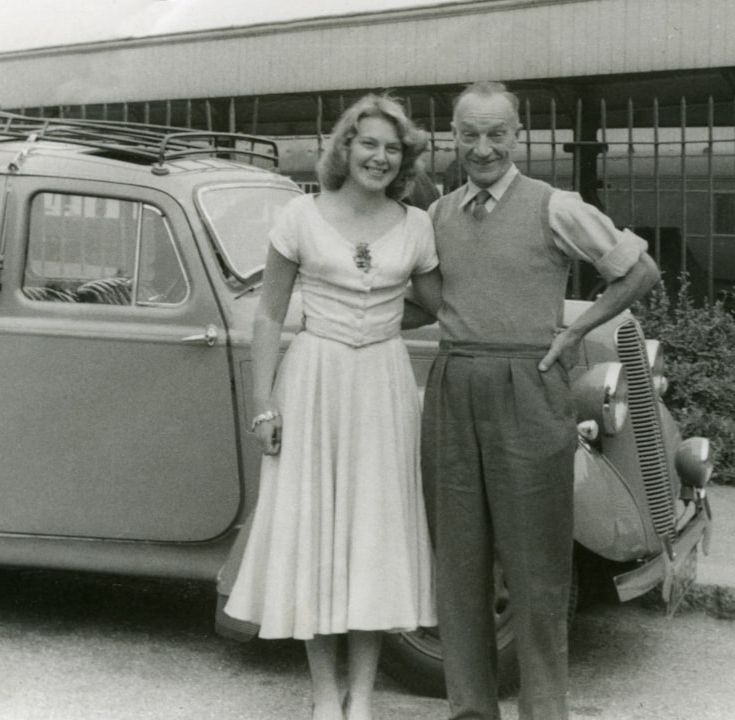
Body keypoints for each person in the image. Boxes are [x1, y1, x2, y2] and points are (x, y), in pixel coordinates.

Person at [422, 81, 661, 720]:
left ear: (517, 135)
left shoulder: (555, 206)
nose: (482, 147)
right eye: (469, 133)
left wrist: (577, 329)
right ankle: (471, 711)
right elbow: (420, 303)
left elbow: (638, 269)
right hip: (453, 388)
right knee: (460, 570)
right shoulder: (439, 216)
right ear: (454, 135)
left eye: (496, 132)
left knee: (538, 573)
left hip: (529, 388)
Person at [223, 94, 441, 720]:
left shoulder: (416, 224)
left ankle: (364, 698)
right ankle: (324, 697)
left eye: (392, 148)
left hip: (382, 384)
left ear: (404, 160)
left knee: (372, 535)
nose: (379, 156)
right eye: (367, 143)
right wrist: (263, 406)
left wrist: (382, 321)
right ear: (344, 148)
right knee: (317, 532)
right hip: (314, 380)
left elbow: (432, 304)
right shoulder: (299, 216)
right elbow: (267, 315)